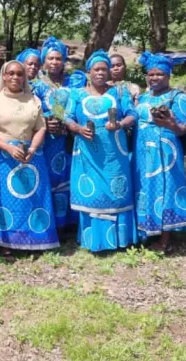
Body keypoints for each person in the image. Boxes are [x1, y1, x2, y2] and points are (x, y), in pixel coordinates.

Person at [65, 50, 138, 252]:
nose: (101, 73)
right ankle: (93, 239)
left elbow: (133, 114)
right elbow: (67, 117)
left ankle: (119, 239)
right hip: (87, 153)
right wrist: (78, 129)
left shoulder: (119, 92)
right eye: (96, 69)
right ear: (88, 71)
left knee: (116, 189)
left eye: (104, 69)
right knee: (92, 192)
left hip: (115, 153)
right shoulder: (77, 94)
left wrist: (121, 125)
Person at [0, 60, 59, 259]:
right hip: (3, 158)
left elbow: (41, 127)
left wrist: (33, 148)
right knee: (7, 201)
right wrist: (9, 148)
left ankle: (36, 238)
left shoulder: (33, 100)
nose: (15, 77)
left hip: (32, 156)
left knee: (33, 199)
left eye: (19, 74)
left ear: (25, 77)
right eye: (11, 73)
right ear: (4, 76)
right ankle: (7, 243)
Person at [133, 52, 186, 253]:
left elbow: (183, 129)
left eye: (159, 74)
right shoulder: (142, 97)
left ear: (168, 76)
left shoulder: (179, 97)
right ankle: (147, 231)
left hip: (165, 151)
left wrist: (170, 122)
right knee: (145, 188)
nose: (154, 78)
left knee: (164, 189)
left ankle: (166, 239)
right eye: (151, 74)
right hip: (142, 149)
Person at [31, 36, 87, 231]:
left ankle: (70, 223)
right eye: (50, 59)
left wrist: (71, 122)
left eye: (58, 58)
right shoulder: (36, 85)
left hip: (71, 140)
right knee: (49, 178)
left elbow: (83, 105)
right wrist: (45, 120)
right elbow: (31, 110)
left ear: (64, 60)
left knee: (70, 177)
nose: (54, 62)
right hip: (47, 140)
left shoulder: (76, 82)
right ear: (44, 61)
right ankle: (51, 223)